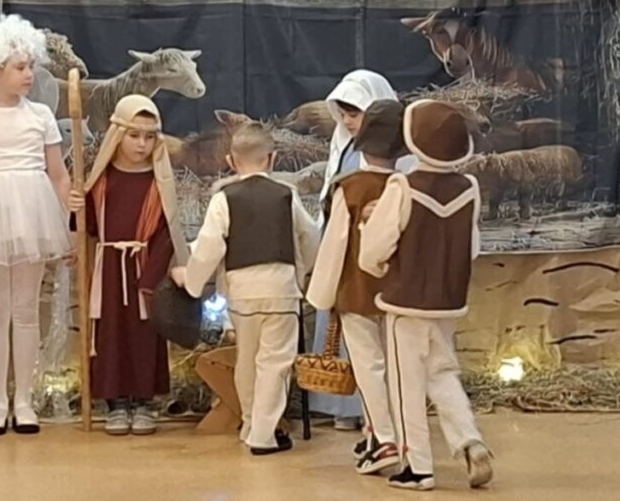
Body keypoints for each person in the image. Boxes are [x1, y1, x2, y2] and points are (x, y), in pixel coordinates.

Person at [360, 99, 494, 491]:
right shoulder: (469, 188)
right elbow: (472, 248)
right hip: (447, 303)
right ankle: (470, 440)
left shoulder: (402, 186)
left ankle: (417, 466)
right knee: (442, 372)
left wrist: (376, 265)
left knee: (406, 385)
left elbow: (375, 248)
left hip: (405, 301)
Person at [0, 15, 72, 436]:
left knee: (25, 310)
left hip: (33, 218)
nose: (28, 74)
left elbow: (58, 175)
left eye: (30, 66)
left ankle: (24, 400)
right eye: (19, 67)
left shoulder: (40, 116)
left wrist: (68, 225)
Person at [173, 122, 319, 455]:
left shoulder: (223, 198)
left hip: (241, 293)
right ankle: (264, 436)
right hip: (281, 290)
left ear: (230, 160)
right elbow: (310, 235)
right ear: (273, 158)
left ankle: (251, 423)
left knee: (247, 361)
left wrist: (192, 281)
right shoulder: (287, 194)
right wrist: (305, 272)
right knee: (275, 363)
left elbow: (209, 247)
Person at [67, 95, 187, 436]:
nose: (141, 144)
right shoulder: (102, 179)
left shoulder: (159, 182)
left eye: (149, 137)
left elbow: (167, 232)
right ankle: (115, 402)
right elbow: (88, 227)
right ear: (118, 135)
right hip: (108, 269)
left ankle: (144, 401)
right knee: (110, 334)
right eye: (134, 135)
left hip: (144, 267)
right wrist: (78, 205)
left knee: (144, 335)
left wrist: (151, 277)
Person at [310, 69, 414, 430]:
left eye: (355, 114)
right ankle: (345, 408)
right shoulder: (343, 146)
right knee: (346, 336)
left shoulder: (399, 158)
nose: (348, 122)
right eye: (343, 114)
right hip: (347, 262)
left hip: (382, 263)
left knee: (379, 346)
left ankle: (381, 420)